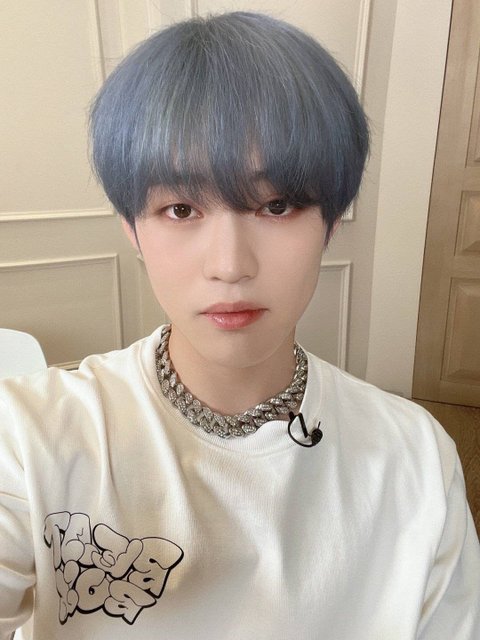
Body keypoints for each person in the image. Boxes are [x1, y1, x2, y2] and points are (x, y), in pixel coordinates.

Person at [0, 11, 479, 640]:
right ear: (133, 230)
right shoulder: (27, 436)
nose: (230, 265)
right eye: (180, 208)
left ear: (331, 222)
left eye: (276, 205)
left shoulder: (416, 457)